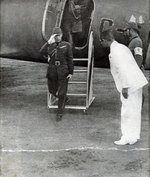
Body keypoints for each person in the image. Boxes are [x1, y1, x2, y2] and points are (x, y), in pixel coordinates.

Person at [100, 30, 148, 145]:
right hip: (136, 82)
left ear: (105, 40)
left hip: (129, 84)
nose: (101, 44)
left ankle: (126, 137)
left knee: (127, 111)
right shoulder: (122, 47)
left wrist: (125, 87)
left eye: (101, 42)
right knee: (135, 110)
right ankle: (134, 136)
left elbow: (123, 69)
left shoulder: (116, 51)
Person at [40, 27, 74, 121]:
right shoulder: (50, 45)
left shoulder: (67, 45)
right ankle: (64, 98)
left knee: (62, 93)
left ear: (62, 35)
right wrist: (48, 42)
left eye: (59, 35)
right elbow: (41, 52)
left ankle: (59, 113)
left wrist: (71, 72)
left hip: (63, 71)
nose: (57, 37)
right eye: (55, 36)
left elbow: (70, 59)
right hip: (52, 71)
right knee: (52, 90)